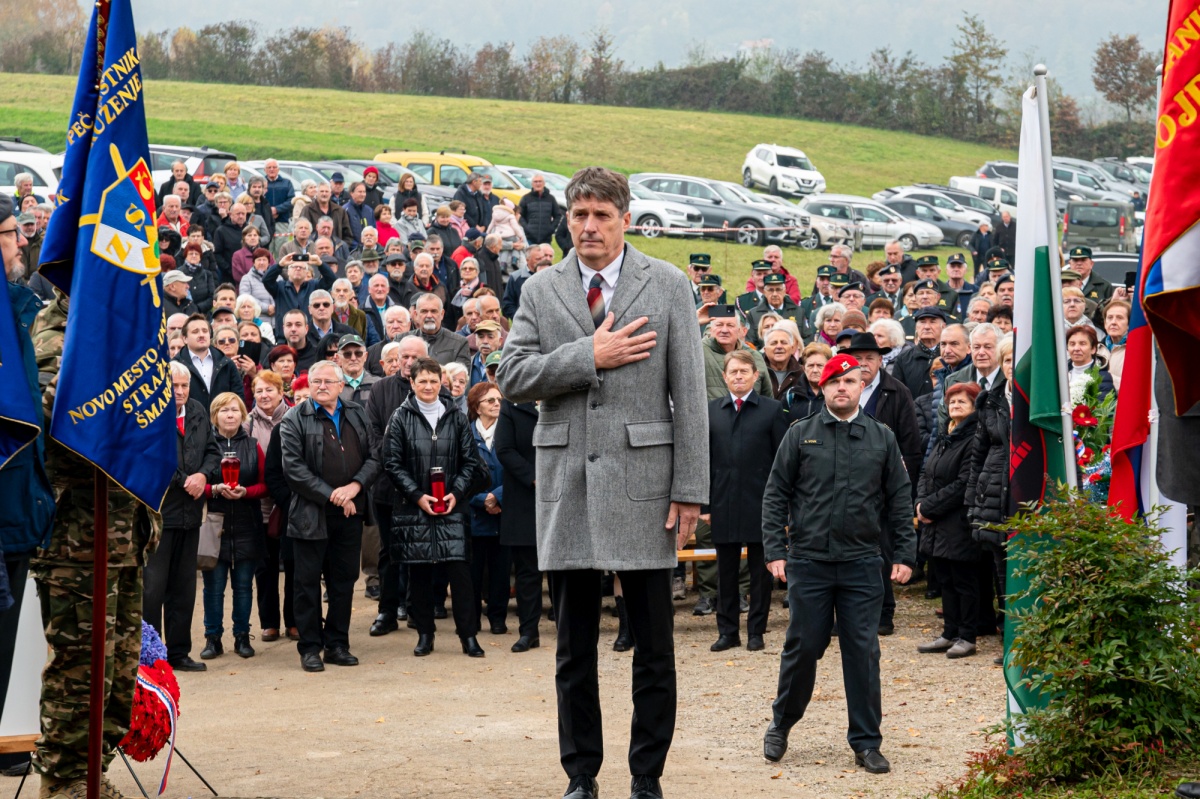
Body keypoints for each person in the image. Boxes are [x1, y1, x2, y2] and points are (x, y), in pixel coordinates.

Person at [496, 166, 709, 799]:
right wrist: (588, 356)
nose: (589, 226)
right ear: (566, 218)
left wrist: (690, 488)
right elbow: (511, 376)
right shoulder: (540, 288)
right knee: (574, 651)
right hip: (566, 488)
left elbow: (690, 398)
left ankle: (647, 776)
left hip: (646, 488)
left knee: (654, 650)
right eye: (579, 214)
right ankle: (581, 776)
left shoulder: (668, 285)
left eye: (602, 215)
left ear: (625, 218)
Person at [27, 264, 149, 799]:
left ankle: (91, 773)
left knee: (118, 674)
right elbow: (66, 427)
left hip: (123, 531)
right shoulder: (55, 339)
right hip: (79, 535)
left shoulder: (121, 337)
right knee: (80, 670)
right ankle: (63, 781)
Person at [761, 354, 915, 774]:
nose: (842, 388)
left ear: (860, 387)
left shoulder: (881, 437)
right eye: (834, 382)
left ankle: (866, 742)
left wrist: (904, 554)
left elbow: (900, 500)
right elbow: (775, 494)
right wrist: (775, 549)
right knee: (804, 646)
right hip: (809, 562)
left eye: (850, 381)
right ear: (823, 389)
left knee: (862, 652)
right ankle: (781, 723)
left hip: (862, 564)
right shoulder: (800, 434)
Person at [279, 360, 381, 672]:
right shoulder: (294, 418)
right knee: (307, 583)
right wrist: (335, 496)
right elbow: (293, 469)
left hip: (350, 512)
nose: (321, 386)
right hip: (310, 514)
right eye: (316, 381)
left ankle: (338, 644)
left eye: (328, 381)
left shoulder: (357, 413)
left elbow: (376, 455)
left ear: (341, 385)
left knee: (343, 582)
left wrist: (354, 487)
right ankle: (310, 648)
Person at [383, 357, 489, 656]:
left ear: (441, 382)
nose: (428, 386)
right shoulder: (400, 417)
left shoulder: (455, 416)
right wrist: (417, 495)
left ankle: (468, 636)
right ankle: (425, 634)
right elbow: (391, 462)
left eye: (433, 380)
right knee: (419, 575)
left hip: (452, 506)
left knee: (460, 574)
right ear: (412, 383)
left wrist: (457, 492)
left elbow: (471, 461)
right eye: (422, 381)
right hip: (414, 507)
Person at [706, 350, 787, 653]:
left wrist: (781, 505)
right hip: (723, 501)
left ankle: (756, 630)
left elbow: (782, 460)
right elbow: (704, 460)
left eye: (744, 371)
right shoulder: (712, 410)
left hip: (761, 503)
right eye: (733, 372)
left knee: (760, 572)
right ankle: (727, 631)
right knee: (725, 572)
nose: (738, 376)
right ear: (724, 377)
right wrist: (704, 506)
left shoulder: (771, 410)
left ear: (756, 375)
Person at [144, 361, 221, 671]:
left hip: (191, 514)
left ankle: (178, 652)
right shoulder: (151, 414)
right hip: (161, 516)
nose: (179, 391)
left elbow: (213, 451)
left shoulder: (199, 411)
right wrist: (184, 480)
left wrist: (203, 475)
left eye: (183, 386)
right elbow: (150, 455)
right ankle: (151, 655)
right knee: (153, 589)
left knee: (184, 588)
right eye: (173, 386)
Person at [365, 336, 430, 638]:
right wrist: (394, 462)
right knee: (388, 554)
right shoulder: (380, 389)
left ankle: (418, 610)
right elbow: (373, 434)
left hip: (422, 487)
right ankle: (387, 612)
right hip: (386, 486)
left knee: (418, 553)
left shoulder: (432, 391)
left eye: (414, 357)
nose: (407, 362)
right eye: (403, 356)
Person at [916, 382, 982, 659]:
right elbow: (926, 473)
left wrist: (928, 507)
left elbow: (964, 482)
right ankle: (949, 632)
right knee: (944, 578)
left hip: (957, 521)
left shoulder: (975, 437)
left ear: (974, 407)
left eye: (962, 402)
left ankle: (967, 636)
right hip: (936, 522)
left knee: (963, 580)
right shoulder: (946, 435)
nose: (955, 406)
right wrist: (919, 504)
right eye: (952, 401)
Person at [200, 392, 267, 661]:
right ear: (214, 415)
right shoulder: (206, 446)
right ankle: (212, 638)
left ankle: (242, 636)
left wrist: (246, 492)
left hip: (247, 523)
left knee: (243, 586)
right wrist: (213, 490)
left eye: (235, 410)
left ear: (243, 414)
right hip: (213, 524)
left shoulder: (253, 445)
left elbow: (266, 485)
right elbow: (194, 483)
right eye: (224, 410)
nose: (230, 415)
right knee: (213, 587)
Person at [245, 371, 292, 642]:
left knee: (295, 565)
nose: (264, 395)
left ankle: (294, 621)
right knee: (265, 567)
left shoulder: (295, 417)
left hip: (291, 503)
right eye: (259, 391)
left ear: (280, 391)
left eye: (269, 390)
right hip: (260, 506)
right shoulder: (247, 423)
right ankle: (269, 622)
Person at [495, 395, 541, 653]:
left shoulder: (567, 398)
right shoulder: (512, 407)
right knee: (527, 570)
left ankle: (572, 628)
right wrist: (534, 479)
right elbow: (504, 449)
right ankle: (529, 631)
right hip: (525, 498)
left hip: (566, 496)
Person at [466, 381, 510, 635]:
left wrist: (498, 496)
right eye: (490, 400)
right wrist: (482, 499)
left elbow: (518, 468)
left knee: (501, 572)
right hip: (474, 516)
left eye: (499, 400)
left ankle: (497, 617)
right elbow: (458, 474)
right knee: (472, 572)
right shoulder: (465, 434)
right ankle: (471, 619)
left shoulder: (508, 432)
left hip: (504, 515)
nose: (496, 404)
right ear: (476, 406)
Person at [402, 292, 471, 367]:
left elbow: (462, 376)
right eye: (424, 311)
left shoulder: (459, 343)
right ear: (416, 314)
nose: (429, 315)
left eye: (433, 311)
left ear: (442, 314)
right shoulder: (401, 340)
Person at [781, 341, 831, 419]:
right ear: (804, 368)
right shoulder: (791, 395)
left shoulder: (835, 394)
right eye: (811, 366)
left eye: (820, 366)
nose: (815, 370)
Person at [1066, 325, 1116, 396]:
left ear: (1093, 349)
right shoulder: (1061, 374)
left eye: (1082, 344)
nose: (1076, 348)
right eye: (1072, 344)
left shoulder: (1103, 378)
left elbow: (1102, 406)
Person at [762, 327, 804, 399]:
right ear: (765, 350)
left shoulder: (802, 373)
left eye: (784, 343)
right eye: (773, 343)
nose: (779, 346)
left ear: (792, 348)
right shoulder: (757, 371)